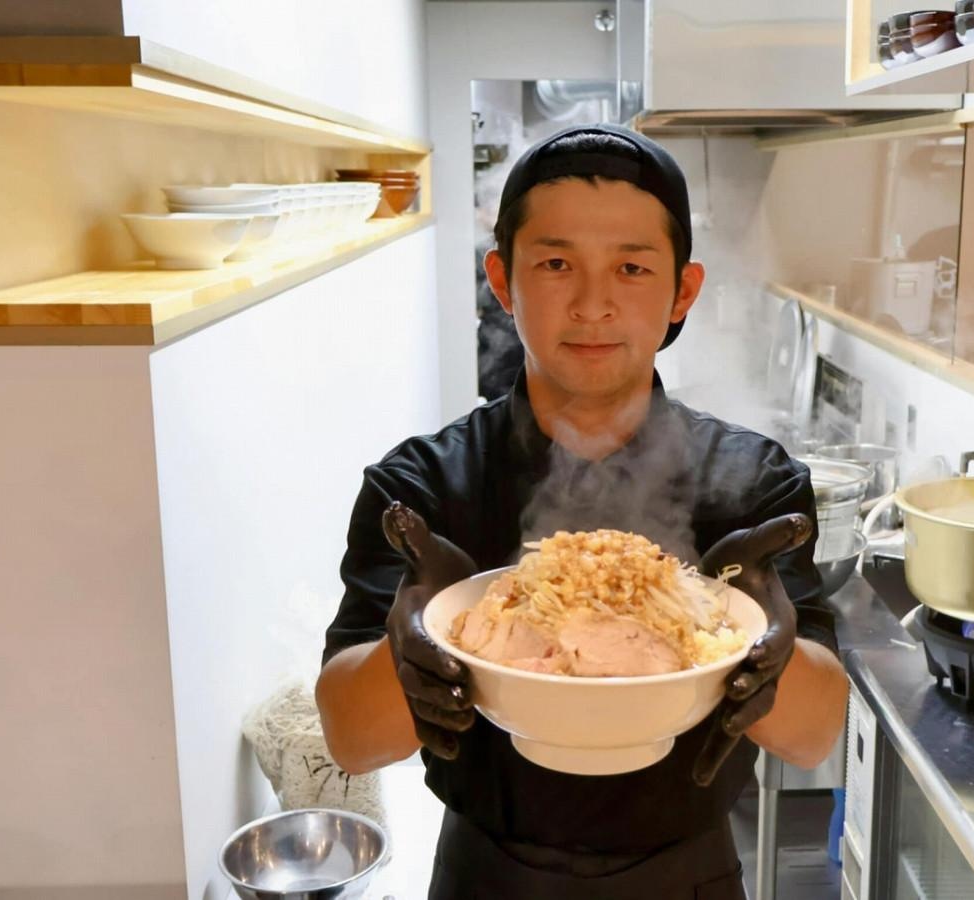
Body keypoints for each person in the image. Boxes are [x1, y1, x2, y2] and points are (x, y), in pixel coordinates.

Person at [315, 124, 849, 899]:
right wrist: (416, 642)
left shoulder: (752, 482)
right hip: (483, 877)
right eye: (556, 263)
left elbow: (813, 735)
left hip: (690, 877)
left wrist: (767, 648)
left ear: (683, 292)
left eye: (632, 268)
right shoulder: (423, 486)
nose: (593, 304)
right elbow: (351, 741)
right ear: (502, 281)